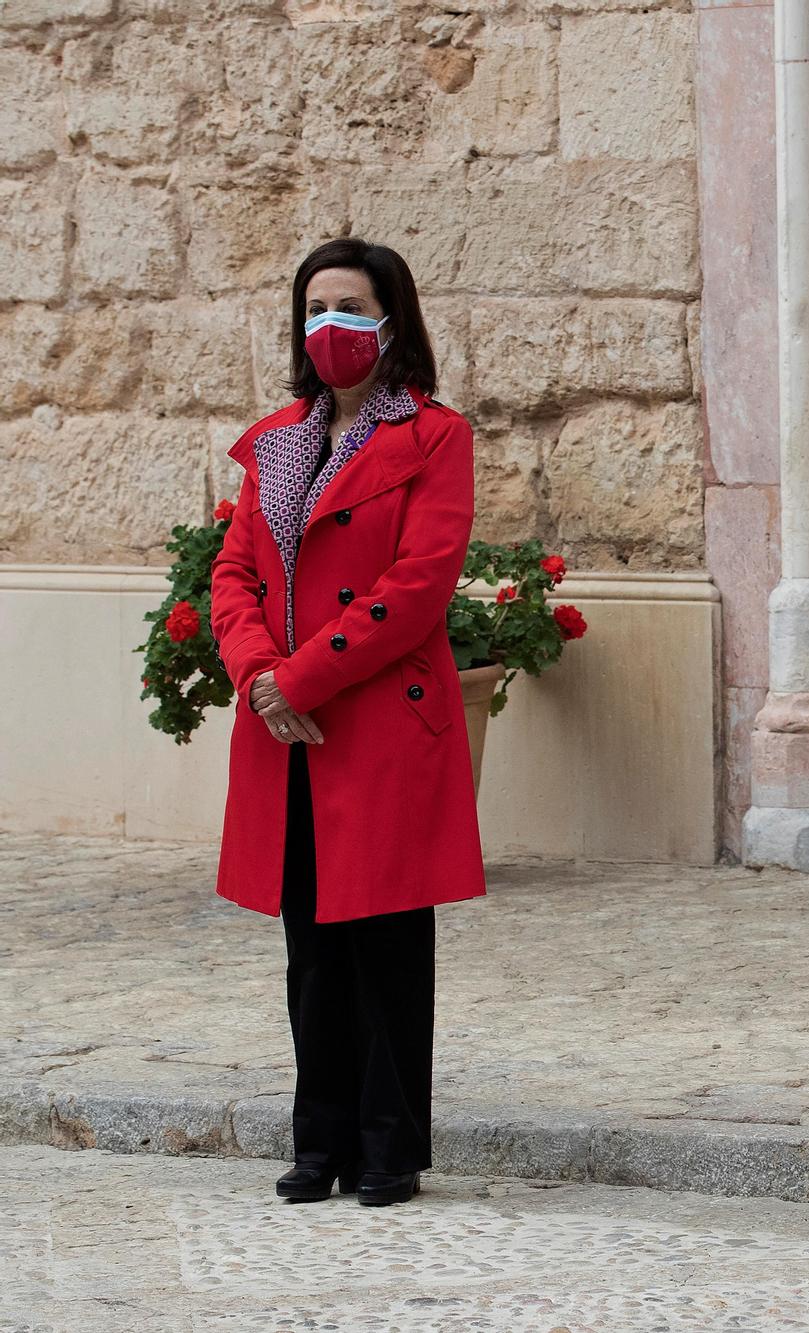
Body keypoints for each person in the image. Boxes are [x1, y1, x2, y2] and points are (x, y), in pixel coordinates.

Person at [209, 238, 484, 1208]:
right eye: (315, 306)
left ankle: (389, 1145)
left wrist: (304, 677)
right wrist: (256, 674)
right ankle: (317, 1142)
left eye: (350, 306)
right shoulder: (279, 439)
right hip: (287, 734)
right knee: (312, 952)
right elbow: (234, 571)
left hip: (374, 727)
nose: (330, 324)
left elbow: (416, 587)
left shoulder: (435, 437)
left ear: (391, 321)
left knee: (385, 949)